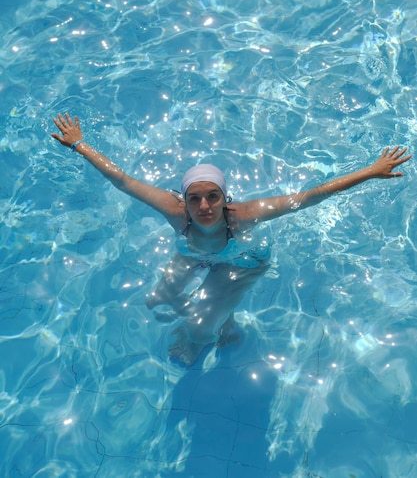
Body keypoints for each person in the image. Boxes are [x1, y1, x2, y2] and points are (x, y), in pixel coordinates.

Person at [51, 113, 412, 365]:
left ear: (226, 198)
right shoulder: (176, 213)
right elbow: (125, 181)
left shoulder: (247, 215)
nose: (204, 206)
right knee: (160, 298)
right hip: (195, 252)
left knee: (198, 325)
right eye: (194, 198)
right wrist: (80, 144)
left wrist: (371, 171)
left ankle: (209, 333)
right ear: (184, 199)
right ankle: (222, 316)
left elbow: (310, 196)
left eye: (213, 196)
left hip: (241, 262)